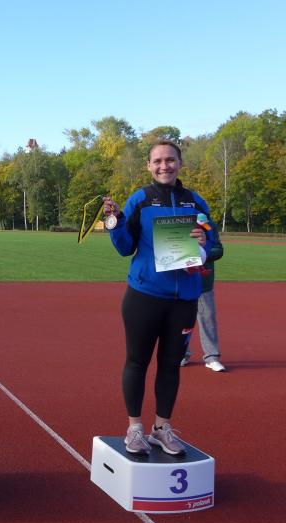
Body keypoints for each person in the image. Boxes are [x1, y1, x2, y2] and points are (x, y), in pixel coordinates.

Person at [103, 140, 217, 455]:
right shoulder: (140, 199)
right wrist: (115, 222)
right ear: (149, 166)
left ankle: (161, 428)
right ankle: (134, 429)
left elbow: (216, 246)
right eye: (157, 161)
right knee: (137, 361)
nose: (164, 166)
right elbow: (125, 247)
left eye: (170, 160)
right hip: (145, 295)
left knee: (170, 364)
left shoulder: (195, 202)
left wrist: (204, 243)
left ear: (180, 163)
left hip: (184, 300)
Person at [181, 232, 226, 371]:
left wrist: (201, 252)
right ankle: (182, 354)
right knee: (181, 320)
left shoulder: (208, 225)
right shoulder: (175, 221)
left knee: (208, 319)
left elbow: (218, 250)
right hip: (181, 281)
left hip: (203, 283)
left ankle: (212, 357)